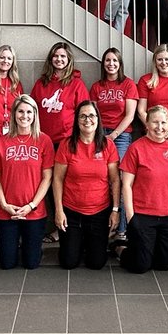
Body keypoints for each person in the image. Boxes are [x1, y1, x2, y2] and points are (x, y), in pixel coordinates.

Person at [53, 101, 120, 270]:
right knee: (68, 262)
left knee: (96, 263)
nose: (87, 120)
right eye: (82, 116)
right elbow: (57, 179)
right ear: (76, 120)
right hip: (71, 211)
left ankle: (87, 242)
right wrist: (59, 210)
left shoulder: (107, 145)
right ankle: (76, 241)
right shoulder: (66, 145)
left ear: (98, 119)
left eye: (91, 115)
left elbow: (115, 180)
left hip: (99, 212)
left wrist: (115, 210)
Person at [117, 105, 168, 273]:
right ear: (146, 124)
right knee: (140, 266)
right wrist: (131, 217)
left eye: (163, 122)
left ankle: (146, 249)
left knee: (163, 264)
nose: (159, 127)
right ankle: (120, 249)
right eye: (155, 122)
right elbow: (126, 185)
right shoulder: (136, 148)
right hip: (143, 215)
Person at [0, 95, 54, 269]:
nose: (24, 116)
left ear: (34, 115)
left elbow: (47, 177)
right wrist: (3, 204)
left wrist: (32, 205)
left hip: (34, 211)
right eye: (20, 111)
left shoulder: (44, 140)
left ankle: (31, 249)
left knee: (31, 264)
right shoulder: (2, 141)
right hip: (6, 210)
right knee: (7, 264)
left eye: (29, 112)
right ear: (14, 114)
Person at [31, 42, 89, 148]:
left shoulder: (77, 84)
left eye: (63, 56)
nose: (59, 59)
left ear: (68, 59)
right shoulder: (41, 83)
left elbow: (85, 113)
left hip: (67, 140)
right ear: (50, 59)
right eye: (55, 56)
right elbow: (32, 110)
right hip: (42, 140)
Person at [90, 47, 138, 161]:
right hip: (99, 133)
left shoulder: (129, 84)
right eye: (107, 60)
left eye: (115, 60)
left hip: (121, 135)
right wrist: (98, 134)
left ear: (120, 64)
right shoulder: (96, 87)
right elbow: (93, 114)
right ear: (103, 63)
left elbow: (130, 116)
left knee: (119, 167)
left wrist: (114, 135)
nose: (111, 64)